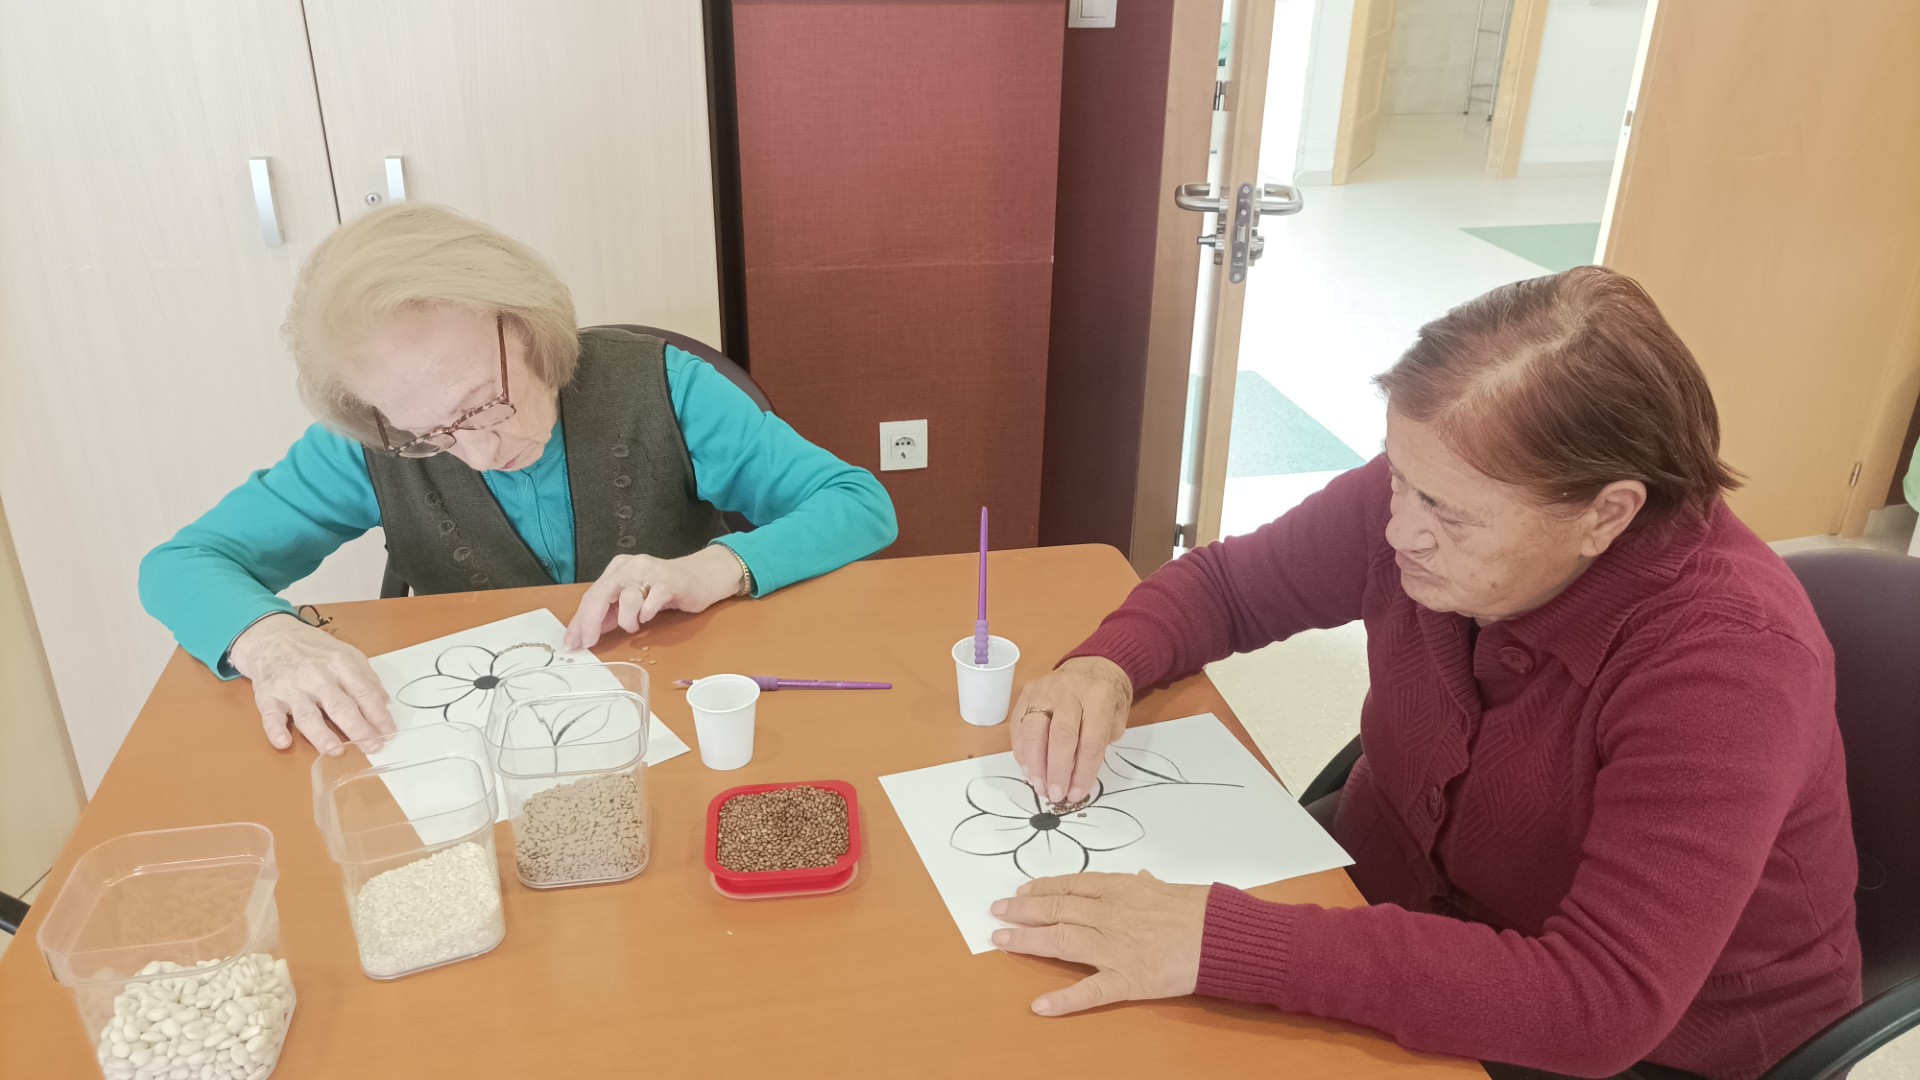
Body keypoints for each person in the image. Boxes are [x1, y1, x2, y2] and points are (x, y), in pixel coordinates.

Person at [994, 268, 1860, 1080]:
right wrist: (1105, 666)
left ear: (1606, 513)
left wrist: (1227, 944)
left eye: (1445, 511)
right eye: (1399, 478)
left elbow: (1601, 1003)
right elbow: (1229, 588)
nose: (1399, 529)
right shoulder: (1440, 484)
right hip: (1398, 901)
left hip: (1647, 1040)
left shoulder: (1730, 664)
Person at [140, 204, 896, 755]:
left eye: (482, 404)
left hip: (680, 701)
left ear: (530, 328)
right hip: (482, 740)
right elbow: (182, 563)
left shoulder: (666, 388)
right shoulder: (364, 442)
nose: (474, 452)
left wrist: (715, 567)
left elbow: (858, 504)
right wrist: (270, 641)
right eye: (427, 433)